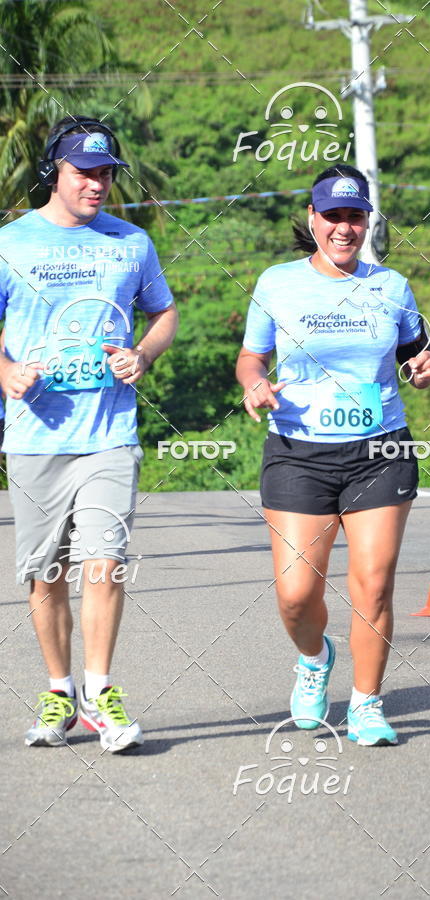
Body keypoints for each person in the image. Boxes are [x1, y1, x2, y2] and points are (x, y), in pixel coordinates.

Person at [236, 165, 430, 746]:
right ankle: (314, 655)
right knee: (297, 594)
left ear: (368, 220)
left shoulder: (392, 286)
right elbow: (251, 358)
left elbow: (416, 359)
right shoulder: (277, 283)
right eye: (333, 216)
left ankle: (368, 704)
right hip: (299, 451)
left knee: (373, 584)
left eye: (355, 216)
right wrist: (255, 382)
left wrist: (425, 371)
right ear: (313, 219)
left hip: (381, 450)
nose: (344, 228)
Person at [0, 116, 178, 751]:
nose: (98, 184)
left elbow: (163, 312)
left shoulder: (130, 243)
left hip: (108, 434)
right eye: (86, 172)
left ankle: (101, 691)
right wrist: (6, 371)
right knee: (45, 572)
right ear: (55, 173)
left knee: (104, 562)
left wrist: (144, 355)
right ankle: (58, 693)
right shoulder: (11, 243)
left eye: (106, 173)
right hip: (34, 435)